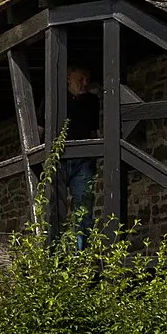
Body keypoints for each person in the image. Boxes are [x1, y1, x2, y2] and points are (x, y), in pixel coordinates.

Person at [64, 63, 103, 228]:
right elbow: (39, 129)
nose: (85, 83)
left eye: (87, 80)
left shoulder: (92, 101)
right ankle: (53, 250)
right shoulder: (57, 96)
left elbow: (93, 131)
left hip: (83, 160)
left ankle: (82, 253)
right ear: (69, 78)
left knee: (84, 210)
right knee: (53, 207)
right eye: (80, 79)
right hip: (60, 158)